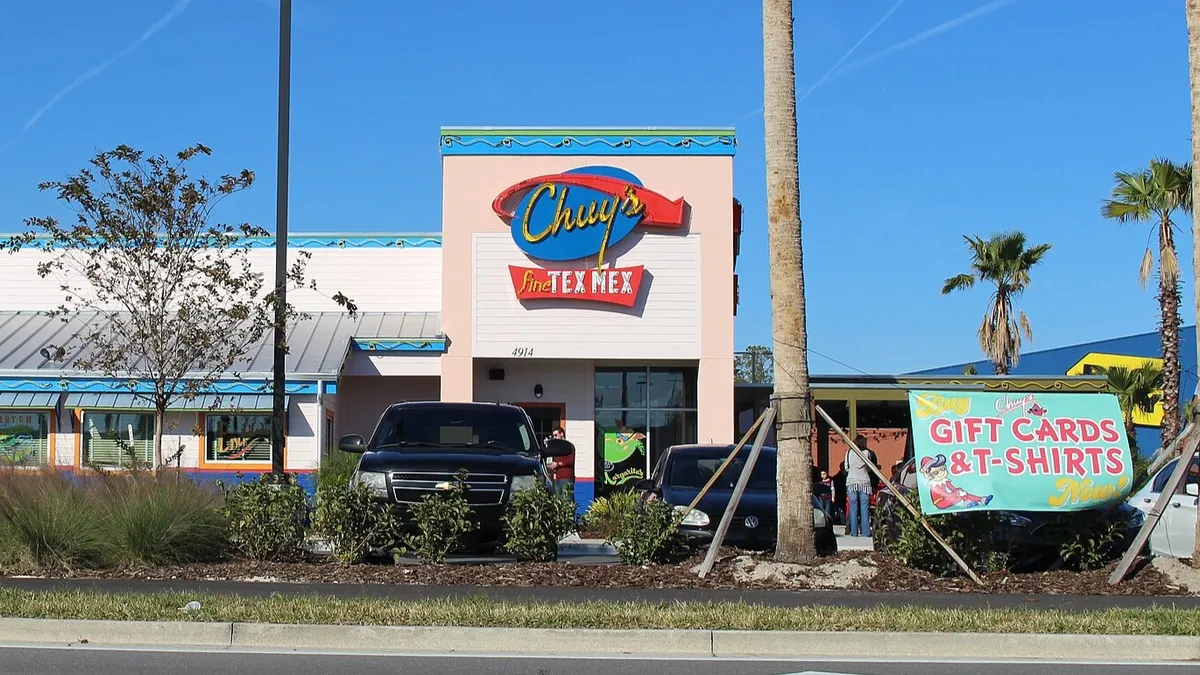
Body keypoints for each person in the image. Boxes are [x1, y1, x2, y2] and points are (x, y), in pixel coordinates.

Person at [845, 434, 876, 537]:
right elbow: (869, 467)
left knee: (853, 508)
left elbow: (846, 467)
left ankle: (854, 532)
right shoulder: (867, 453)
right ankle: (866, 532)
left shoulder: (849, 452)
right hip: (864, 481)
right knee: (865, 507)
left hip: (851, 481)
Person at [547, 427, 575, 499]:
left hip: (567, 477)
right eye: (553, 436)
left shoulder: (569, 446)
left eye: (556, 435)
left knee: (568, 500)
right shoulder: (555, 448)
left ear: (562, 434)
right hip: (556, 477)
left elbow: (571, 460)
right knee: (558, 500)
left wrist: (558, 464)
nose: (554, 437)